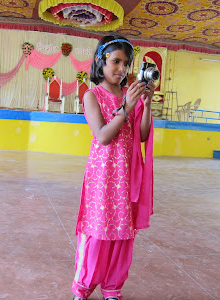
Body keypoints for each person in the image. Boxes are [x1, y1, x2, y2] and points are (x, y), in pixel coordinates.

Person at [72, 35, 155, 300]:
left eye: (126, 63)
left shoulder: (130, 93)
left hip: (127, 174)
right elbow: (103, 136)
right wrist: (126, 108)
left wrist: (147, 103)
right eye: (115, 61)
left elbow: (142, 136)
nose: (121, 69)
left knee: (122, 232)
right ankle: (82, 289)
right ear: (101, 60)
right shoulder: (92, 95)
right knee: (98, 230)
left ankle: (112, 289)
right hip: (104, 174)